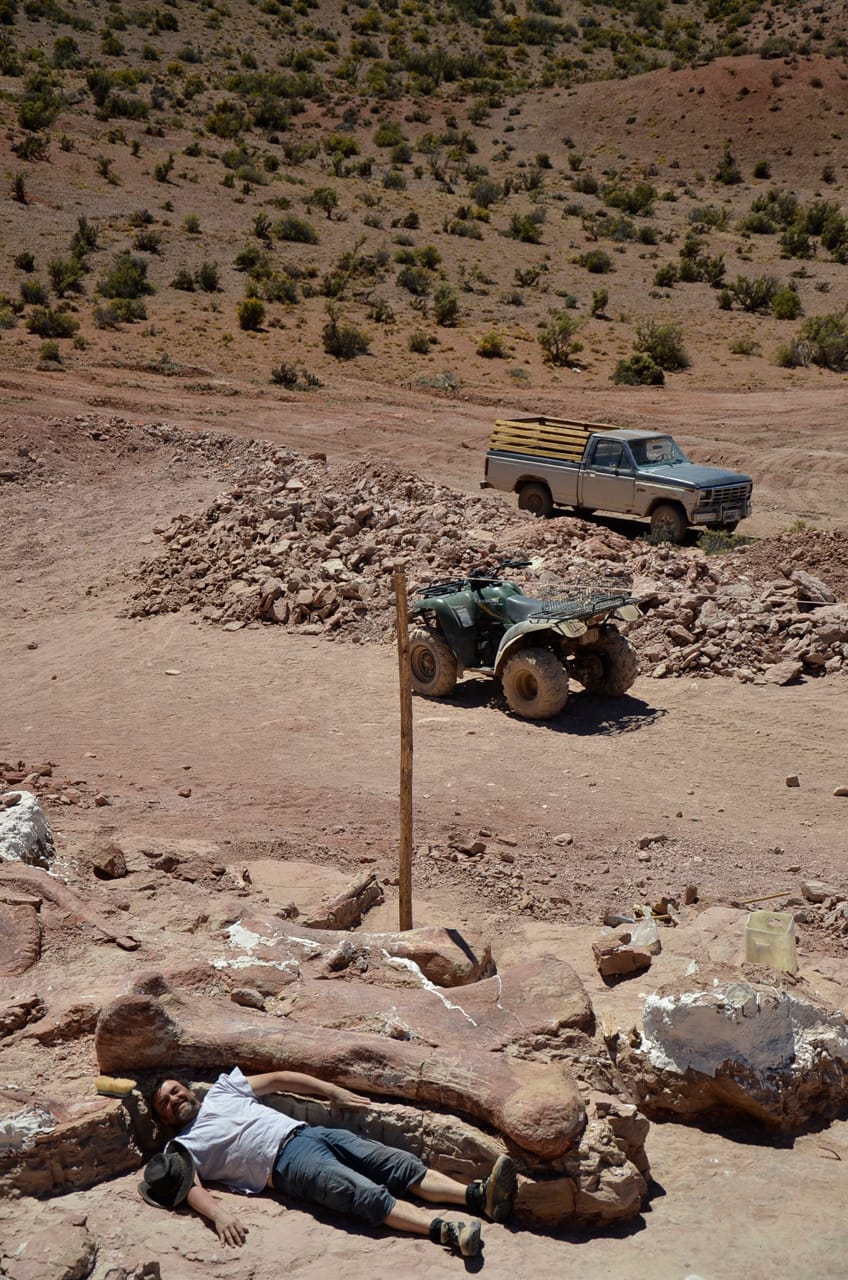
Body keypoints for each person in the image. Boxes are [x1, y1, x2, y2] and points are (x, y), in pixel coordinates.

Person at [142, 1066, 518, 1259]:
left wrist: (331, 1090)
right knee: (364, 1194)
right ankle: (447, 1231)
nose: (175, 1099)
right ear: (164, 1118)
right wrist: (219, 1216)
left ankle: (477, 1195)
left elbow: (278, 1078)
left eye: (175, 1090)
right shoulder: (182, 1147)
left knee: (394, 1163)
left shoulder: (224, 1090)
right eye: (166, 1102)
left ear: (186, 1087)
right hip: (286, 1166)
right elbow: (190, 1188)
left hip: (310, 1132)